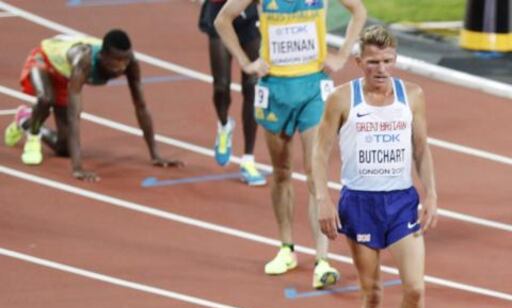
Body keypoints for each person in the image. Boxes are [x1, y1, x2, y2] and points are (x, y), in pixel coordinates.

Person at [314, 26, 438, 308]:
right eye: (372, 63)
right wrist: (323, 199)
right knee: (372, 295)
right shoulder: (341, 99)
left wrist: (431, 191)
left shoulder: (411, 96)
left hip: (401, 202)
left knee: (415, 288)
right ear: (358, 62)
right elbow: (319, 153)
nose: (381, 69)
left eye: (387, 61)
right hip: (359, 203)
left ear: (395, 58)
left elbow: (421, 148)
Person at [214, 0, 367, 289]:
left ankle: (323, 261)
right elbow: (223, 19)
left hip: (312, 88)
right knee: (281, 171)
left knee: (314, 171)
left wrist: (342, 55)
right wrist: (247, 63)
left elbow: (358, 10)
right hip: (275, 89)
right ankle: (286, 248)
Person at [4, 30, 183, 181]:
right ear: (102, 56)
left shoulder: (131, 64)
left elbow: (141, 106)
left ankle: (26, 120)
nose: (121, 67)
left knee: (64, 148)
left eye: (125, 61)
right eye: (116, 61)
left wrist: (155, 154)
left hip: (66, 75)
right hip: (45, 60)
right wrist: (78, 167)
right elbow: (75, 115)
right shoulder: (85, 61)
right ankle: (33, 134)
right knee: (45, 99)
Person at [197, 0, 265, 185]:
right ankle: (224, 125)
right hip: (219, 12)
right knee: (221, 85)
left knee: (252, 86)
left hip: (248, 15)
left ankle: (248, 159)